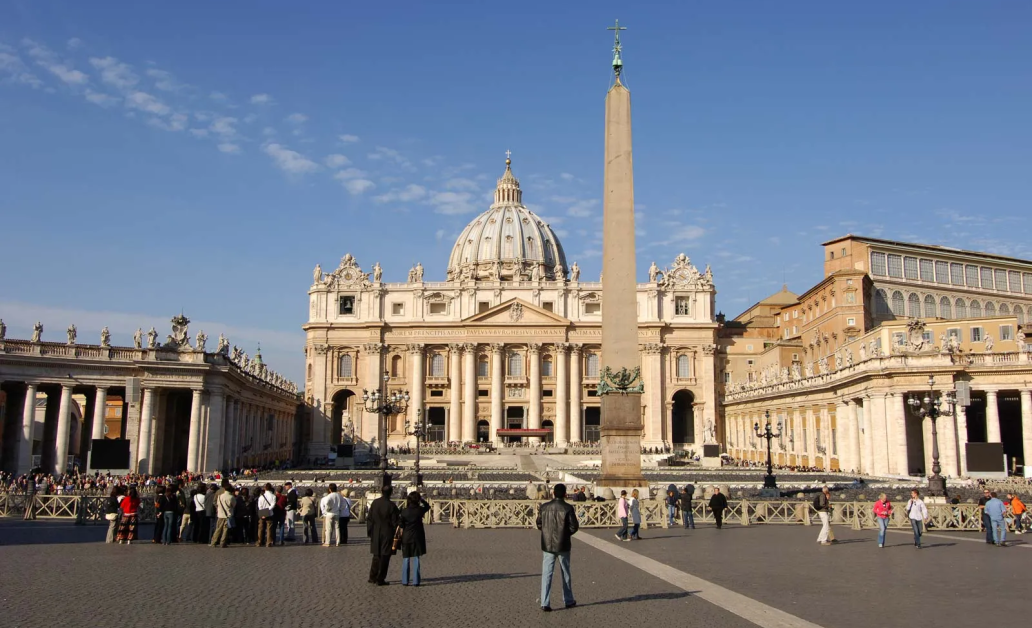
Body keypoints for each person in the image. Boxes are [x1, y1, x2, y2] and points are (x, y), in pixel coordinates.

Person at [536, 483, 578, 612]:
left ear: (553, 493)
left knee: (547, 574)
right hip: (563, 545)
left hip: (548, 545)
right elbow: (574, 527)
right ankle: (568, 600)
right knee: (565, 573)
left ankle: (545, 602)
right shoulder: (568, 508)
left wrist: (547, 533)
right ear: (565, 494)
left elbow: (539, 524)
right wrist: (564, 535)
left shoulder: (544, 507)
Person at [367, 485, 401, 586]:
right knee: (385, 556)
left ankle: (372, 577)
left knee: (376, 555)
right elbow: (395, 521)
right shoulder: (391, 505)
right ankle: (380, 578)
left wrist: (370, 531)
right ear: (391, 493)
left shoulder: (375, 503)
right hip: (387, 532)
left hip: (376, 531)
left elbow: (369, 518)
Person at [399, 491, 431, 586]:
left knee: (406, 558)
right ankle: (416, 581)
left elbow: (400, 524)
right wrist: (422, 500)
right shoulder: (419, 510)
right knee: (416, 558)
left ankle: (405, 580)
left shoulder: (404, 511)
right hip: (417, 536)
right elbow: (428, 506)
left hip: (406, 536)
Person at [210, 482, 236, 548]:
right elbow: (234, 505)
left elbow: (217, 504)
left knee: (218, 529)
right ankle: (223, 542)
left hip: (220, 515)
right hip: (228, 515)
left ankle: (213, 542)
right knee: (225, 530)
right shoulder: (231, 497)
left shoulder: (220, 496)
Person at [256, 483, 277, 547]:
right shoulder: (273, 496)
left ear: (265, 488)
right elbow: (273, 505)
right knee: (269, 529)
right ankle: (268, 542)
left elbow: (259, 506)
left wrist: (263, 512)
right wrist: (268, 510)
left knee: (260, 528)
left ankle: (259, 541)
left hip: (262, 513)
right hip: (270, 513)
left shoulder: (261, 497)